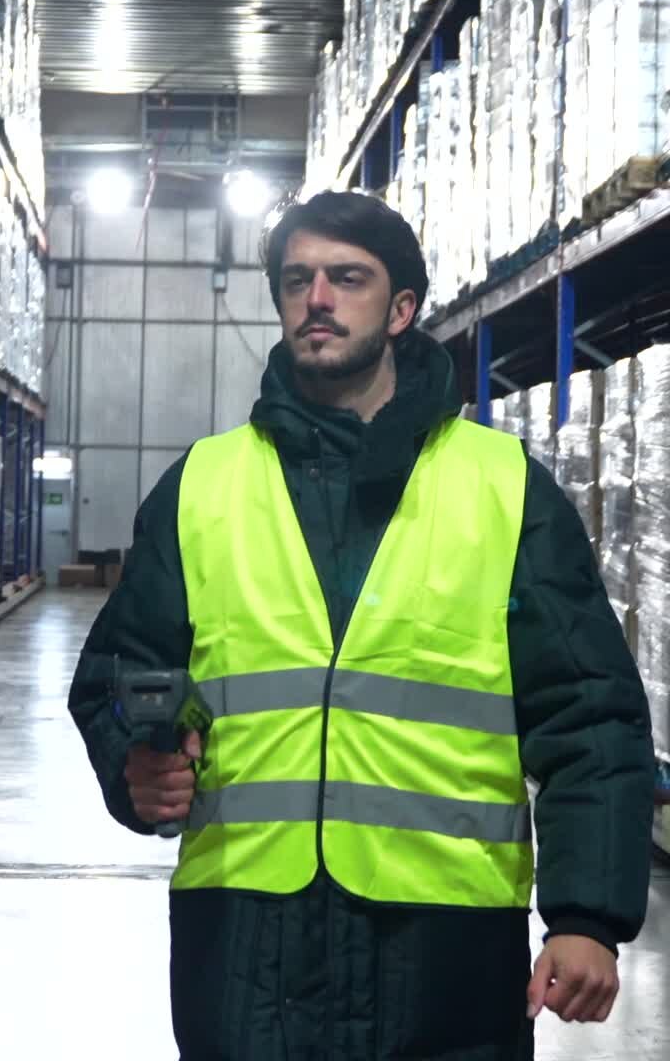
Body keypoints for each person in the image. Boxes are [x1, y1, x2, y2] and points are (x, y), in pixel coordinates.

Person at [68, 191, 655, 1061]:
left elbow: (589, 711)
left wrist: (586, 917)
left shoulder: (502, 489)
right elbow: (115, 673)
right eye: (298, 279)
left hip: (442, 944)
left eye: (348, 278)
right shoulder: (205, 485)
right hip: (243, 938)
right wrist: (133, 760)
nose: (318, 298)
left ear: (403, 308)